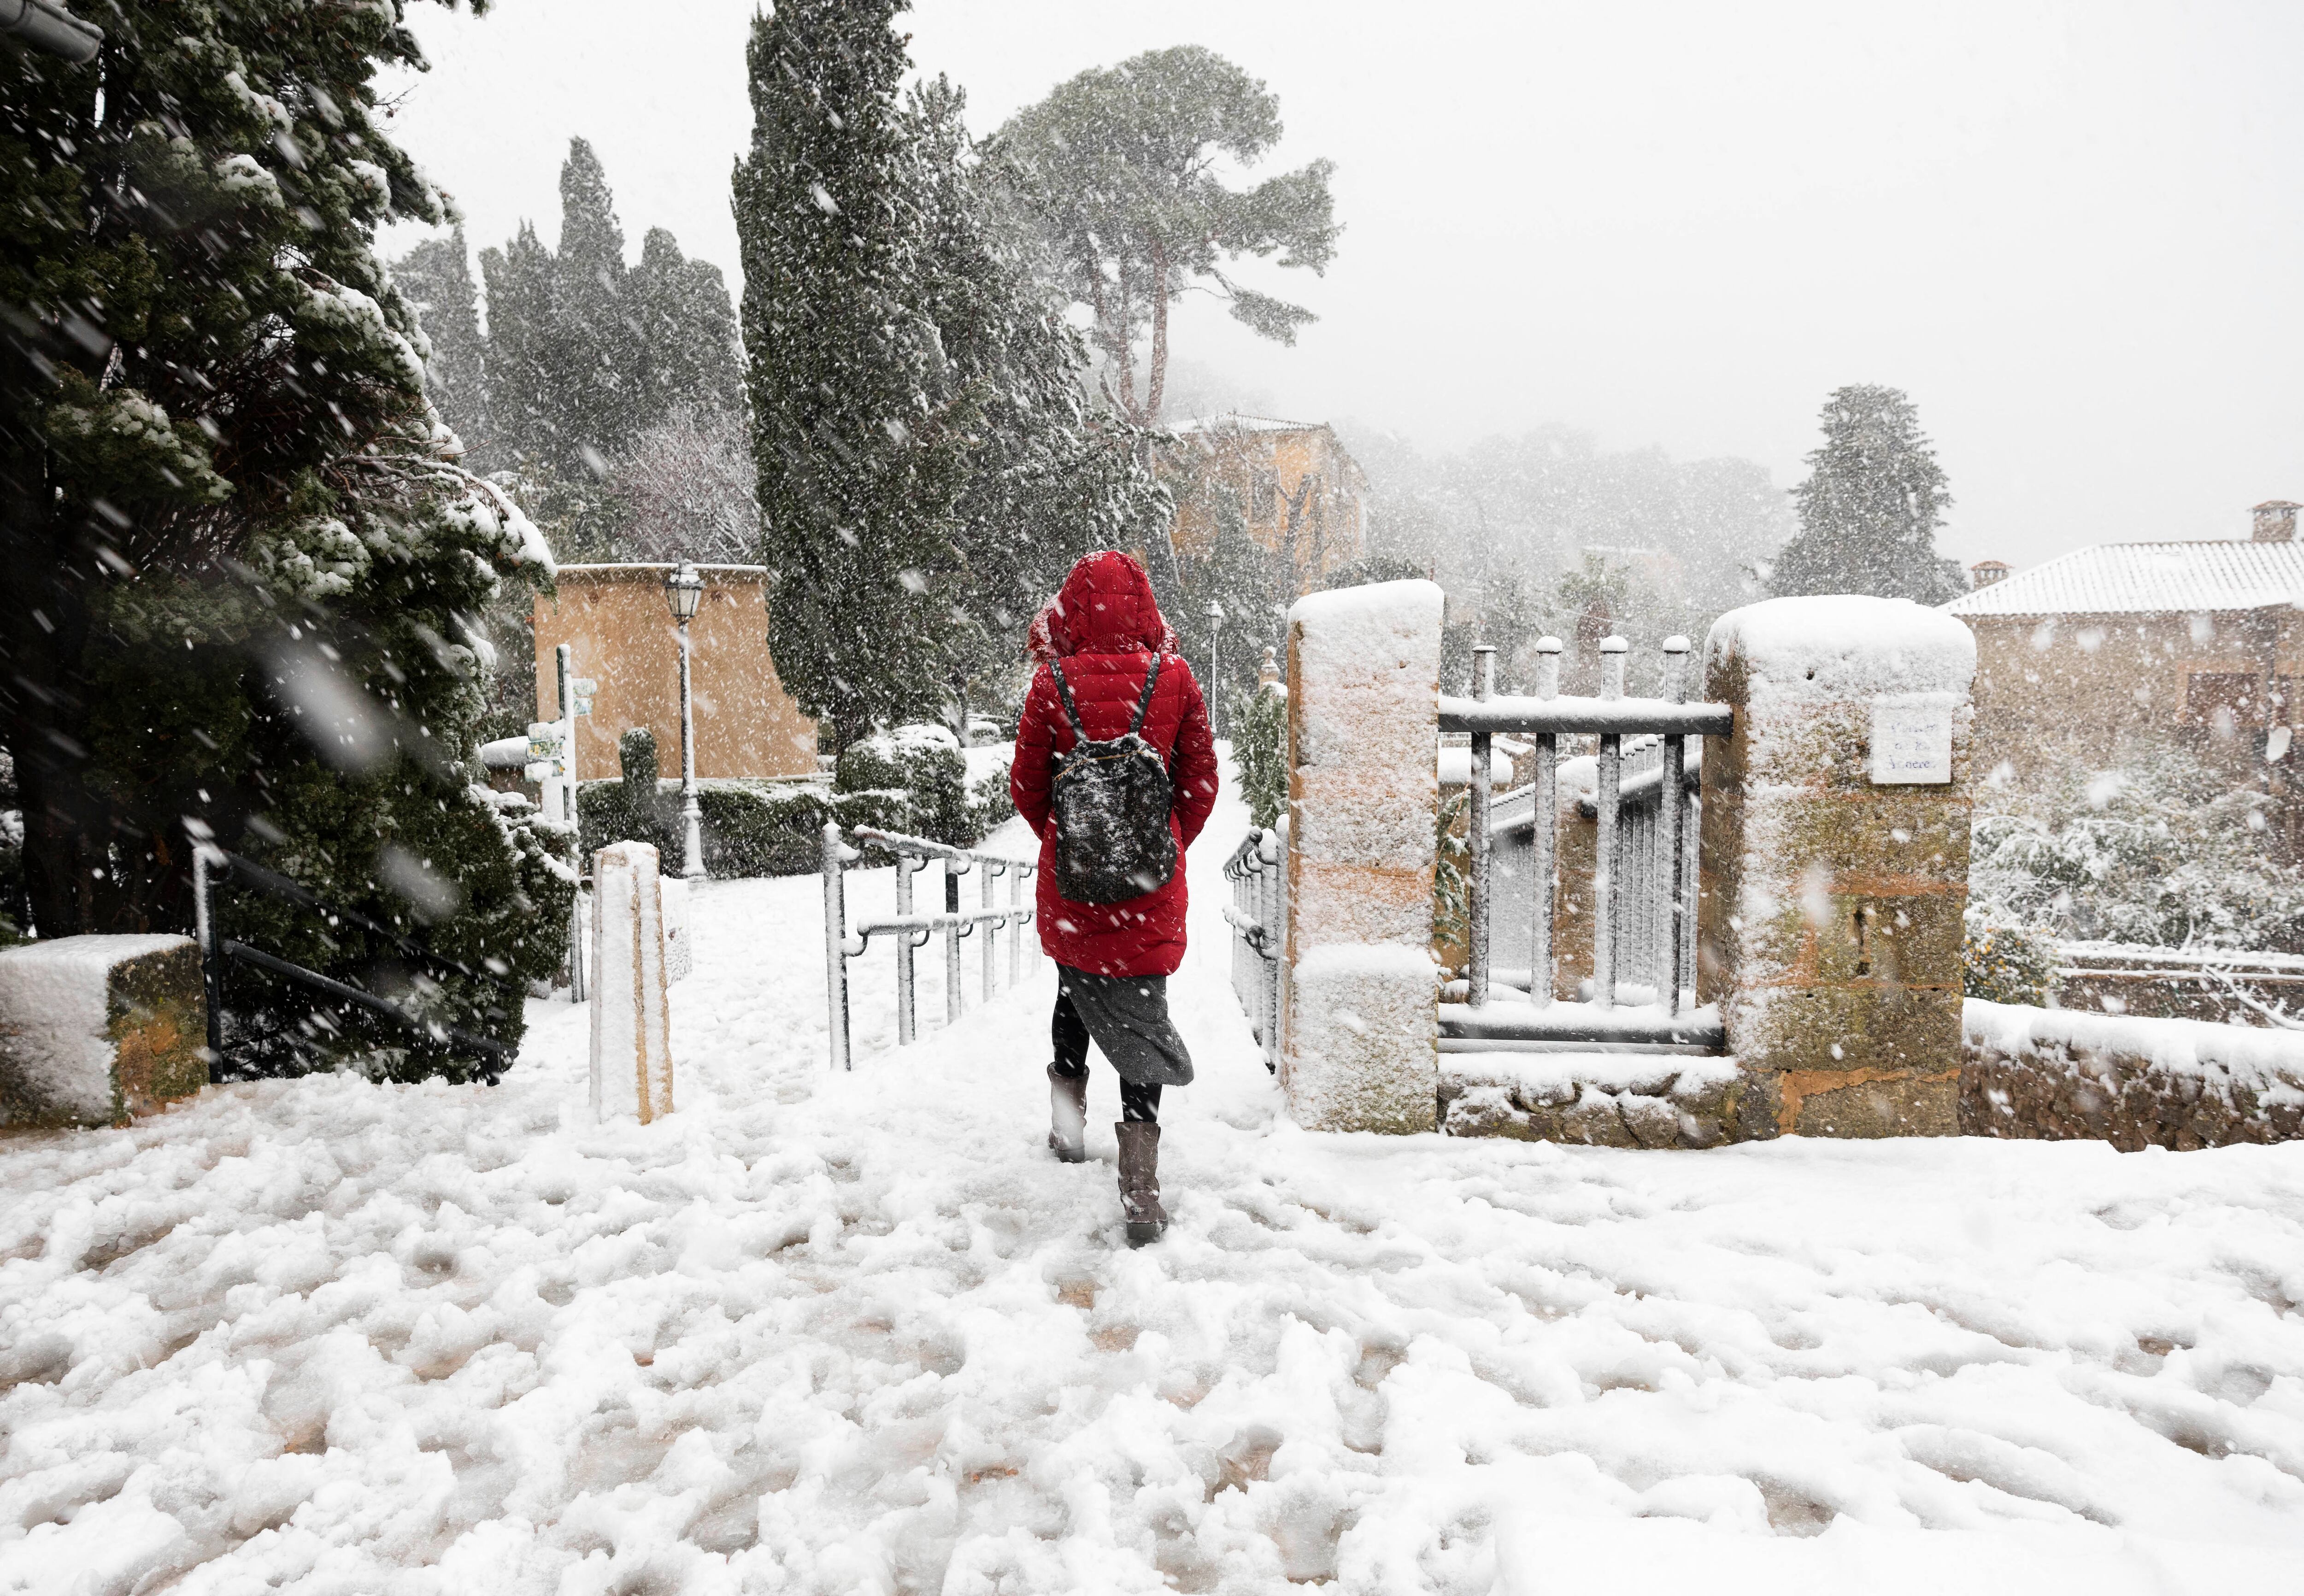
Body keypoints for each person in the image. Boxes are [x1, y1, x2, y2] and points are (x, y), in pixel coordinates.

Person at [1011, 552, 1220, 1245]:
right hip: (1148, 890)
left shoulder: (1051, 683)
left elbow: (1027, 788)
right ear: (1145, 607)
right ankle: (1139, 1184)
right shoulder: (1175, 676)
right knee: (1143, 1018)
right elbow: (1200, 782)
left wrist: (1073, 840)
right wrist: (1157, 847)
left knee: (1074, 996)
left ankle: (1068, 1132)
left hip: (1073, 889)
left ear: (1072, 608)